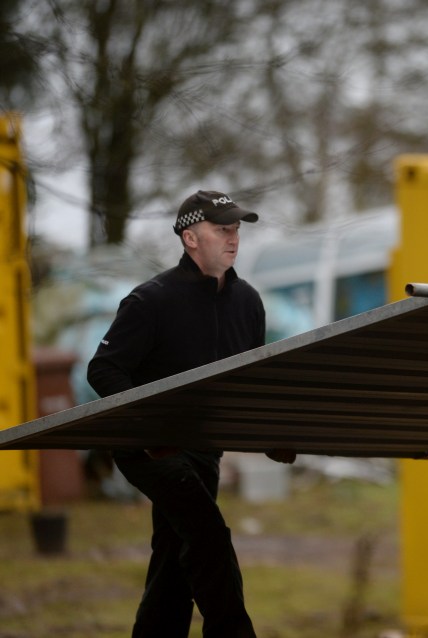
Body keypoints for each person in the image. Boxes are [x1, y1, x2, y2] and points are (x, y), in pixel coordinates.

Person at [88, 189, 296, 638]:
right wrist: (147, 432)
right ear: (190, 238)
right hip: (150, 450)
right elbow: (104, 369)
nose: (233, 237)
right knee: (207, 538)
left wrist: (272, 434)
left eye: (237, 228)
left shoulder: (248, 303)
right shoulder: (151, 301)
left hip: (205, 448)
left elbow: (249, 383)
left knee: (174, 559)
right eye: (222, 228)